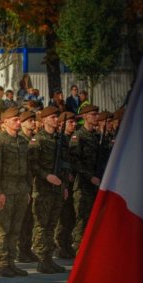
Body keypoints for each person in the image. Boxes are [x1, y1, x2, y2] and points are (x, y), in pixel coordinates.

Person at [0, 107, 31, 277]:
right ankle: (2, 263)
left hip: (20, 190)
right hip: (5, 190)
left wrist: (27, 190)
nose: (18, 122)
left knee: (16, 228)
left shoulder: (22, 141)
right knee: (3, 229)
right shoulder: (0, 142)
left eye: (19, 119)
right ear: (5, 122)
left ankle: (11, 262)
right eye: (14, 119)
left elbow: (27, 169)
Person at [28, 107, 68, 273]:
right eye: (52, 117)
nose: (55, 120)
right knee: (41, 225)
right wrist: (46, 176)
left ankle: (49, 258)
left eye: (56, 117)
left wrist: (64, 186)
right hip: (43, 189)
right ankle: (42, 259)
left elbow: (64, 166)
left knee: (52, 224)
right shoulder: (38, 140)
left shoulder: (60, 140)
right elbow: (32, 164)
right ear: (44, 120)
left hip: (57, 190)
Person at [69, 105, 105, 253]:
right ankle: (79, 250)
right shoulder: (79, 136)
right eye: (93, 114)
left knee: (94, 218)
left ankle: (90, 249)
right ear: (85, 117)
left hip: (96, 184)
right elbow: (74, 161)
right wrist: (90, 177)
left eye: (97, 114)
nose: (96, 117)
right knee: (82, 219)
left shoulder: (96, 137)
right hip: (83, 184)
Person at [16, 111, 39, 263]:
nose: (33, 123)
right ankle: (20, 250)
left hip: (32, 183)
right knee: (22, 219)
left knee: (30, 218)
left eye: (34, 120)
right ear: (23, 123)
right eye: (30, 120)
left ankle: (26, 248)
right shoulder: (21, 140)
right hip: (22, 185)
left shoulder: (32, 140)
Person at [54, 111, 77, 259]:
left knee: (70, 216)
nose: (74, 124)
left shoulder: (71, 139)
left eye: (74, 122)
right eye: (71, 122)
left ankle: (67, 244)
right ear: (62, 125)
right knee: (61, 217)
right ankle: (60, 246)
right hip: (60, 181)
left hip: (71, 182)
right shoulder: (59, 139)